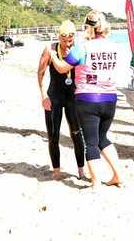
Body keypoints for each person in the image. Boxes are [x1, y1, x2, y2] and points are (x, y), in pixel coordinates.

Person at [50, 11, 123, 188]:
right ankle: (118, 176)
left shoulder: (83, 47)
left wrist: (52, 54)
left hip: (88, 99)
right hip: (110, 98)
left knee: (90, 142)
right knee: (102, 138)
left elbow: (62, 68)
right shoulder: (114, 46)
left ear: (88, 28)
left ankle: (96, 183)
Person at [37, 20, 85, 180]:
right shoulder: (49, 49)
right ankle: (56, 170)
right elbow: (40, 74)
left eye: (70, 41)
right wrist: (43, 95)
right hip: (54, 97)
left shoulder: (78, 50)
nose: (67, 44)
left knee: (77, 134)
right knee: (53, 135)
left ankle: (81, 169)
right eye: (63, 41)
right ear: (58, 37)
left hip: (73, 97)